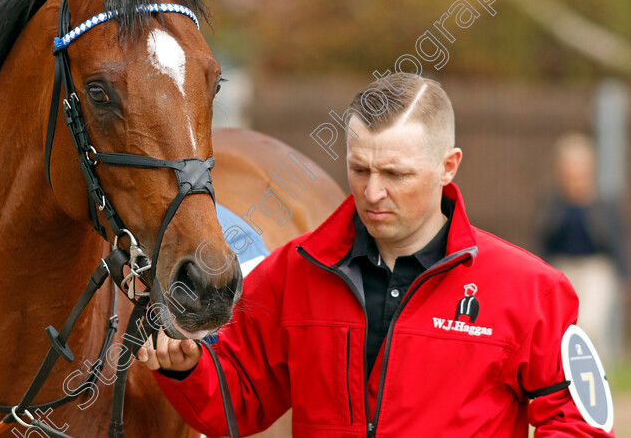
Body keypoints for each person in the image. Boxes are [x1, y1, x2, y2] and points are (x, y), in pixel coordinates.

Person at [137, 74, 614, 437]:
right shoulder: (291, 271)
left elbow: (579, 423)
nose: (373, 192)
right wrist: (187, 369)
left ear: (448, 166)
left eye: (395, 173)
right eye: (359, 168)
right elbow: (237, 397)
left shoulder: (531, 290)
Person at [536, 134, 626, 364]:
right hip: (563, 267)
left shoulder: (602, 204)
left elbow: (616, 241)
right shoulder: (552, 203)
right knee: (568, 326)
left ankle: (599, 374)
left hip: (596, 269)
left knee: (590, 323)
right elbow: (543, 240)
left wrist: (623, 276)